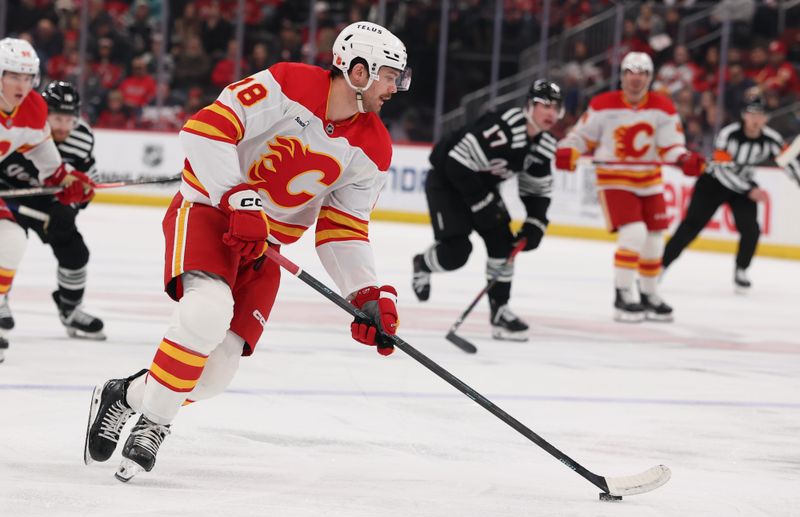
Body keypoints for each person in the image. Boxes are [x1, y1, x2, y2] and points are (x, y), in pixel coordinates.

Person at [83, 21, 410, 482]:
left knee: (217, 372)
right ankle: (156, 423)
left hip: (266, 248)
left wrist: (366, 293)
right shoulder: (289, 83)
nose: (396, 87)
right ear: (358, 71)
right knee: (205, 314)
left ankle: (126, 395)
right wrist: (239, 197)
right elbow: (204, 130)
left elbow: (343, 227)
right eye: (390, 75)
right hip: (210, 214)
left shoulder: (374, 147)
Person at [555, 51, 705, 323]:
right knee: (634, 233)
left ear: (649, 78)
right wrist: (568, 149)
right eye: (630, 74)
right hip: (614, 180)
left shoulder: (663, 107)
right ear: (622, 76)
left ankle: (648, 293)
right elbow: (581, 137)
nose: (636, 80)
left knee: (655, 241)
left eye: (642, 75)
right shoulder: (603, 104)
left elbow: (671, 146)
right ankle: (623, 294)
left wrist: (683, 159)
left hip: (649, 180)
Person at [411, 79, 564, 342]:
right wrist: (481, 203)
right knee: (456, 253)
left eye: (555, 107)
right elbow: (455, 162)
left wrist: (536, 222)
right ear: (529, 106)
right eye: (544, 105)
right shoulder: (504, 128)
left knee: (504, 246)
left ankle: (500, 311)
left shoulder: (543, 145)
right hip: (448, 182)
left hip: (481, 186)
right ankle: (423, 263)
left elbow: (536, 189)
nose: (550, 113)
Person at [0, 39, 96, 363]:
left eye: (28, 78)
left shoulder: (33, 109)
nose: (22, 85)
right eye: (14, 76)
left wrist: (63, 179)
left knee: (10, 240)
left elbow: (45, 157)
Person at [662, 92, 800, 292]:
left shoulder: (771, 139)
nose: (755, 119)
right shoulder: (729, 134)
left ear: (766, 118)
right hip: (713, 184)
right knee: (690, 226)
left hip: (742, 187)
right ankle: (660, 266)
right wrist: (749, 189)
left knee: (751, 229)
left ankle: (741, 270)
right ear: (744, 115)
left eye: (760, 115)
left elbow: (790, 164)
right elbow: (721, 170)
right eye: (752, 114)